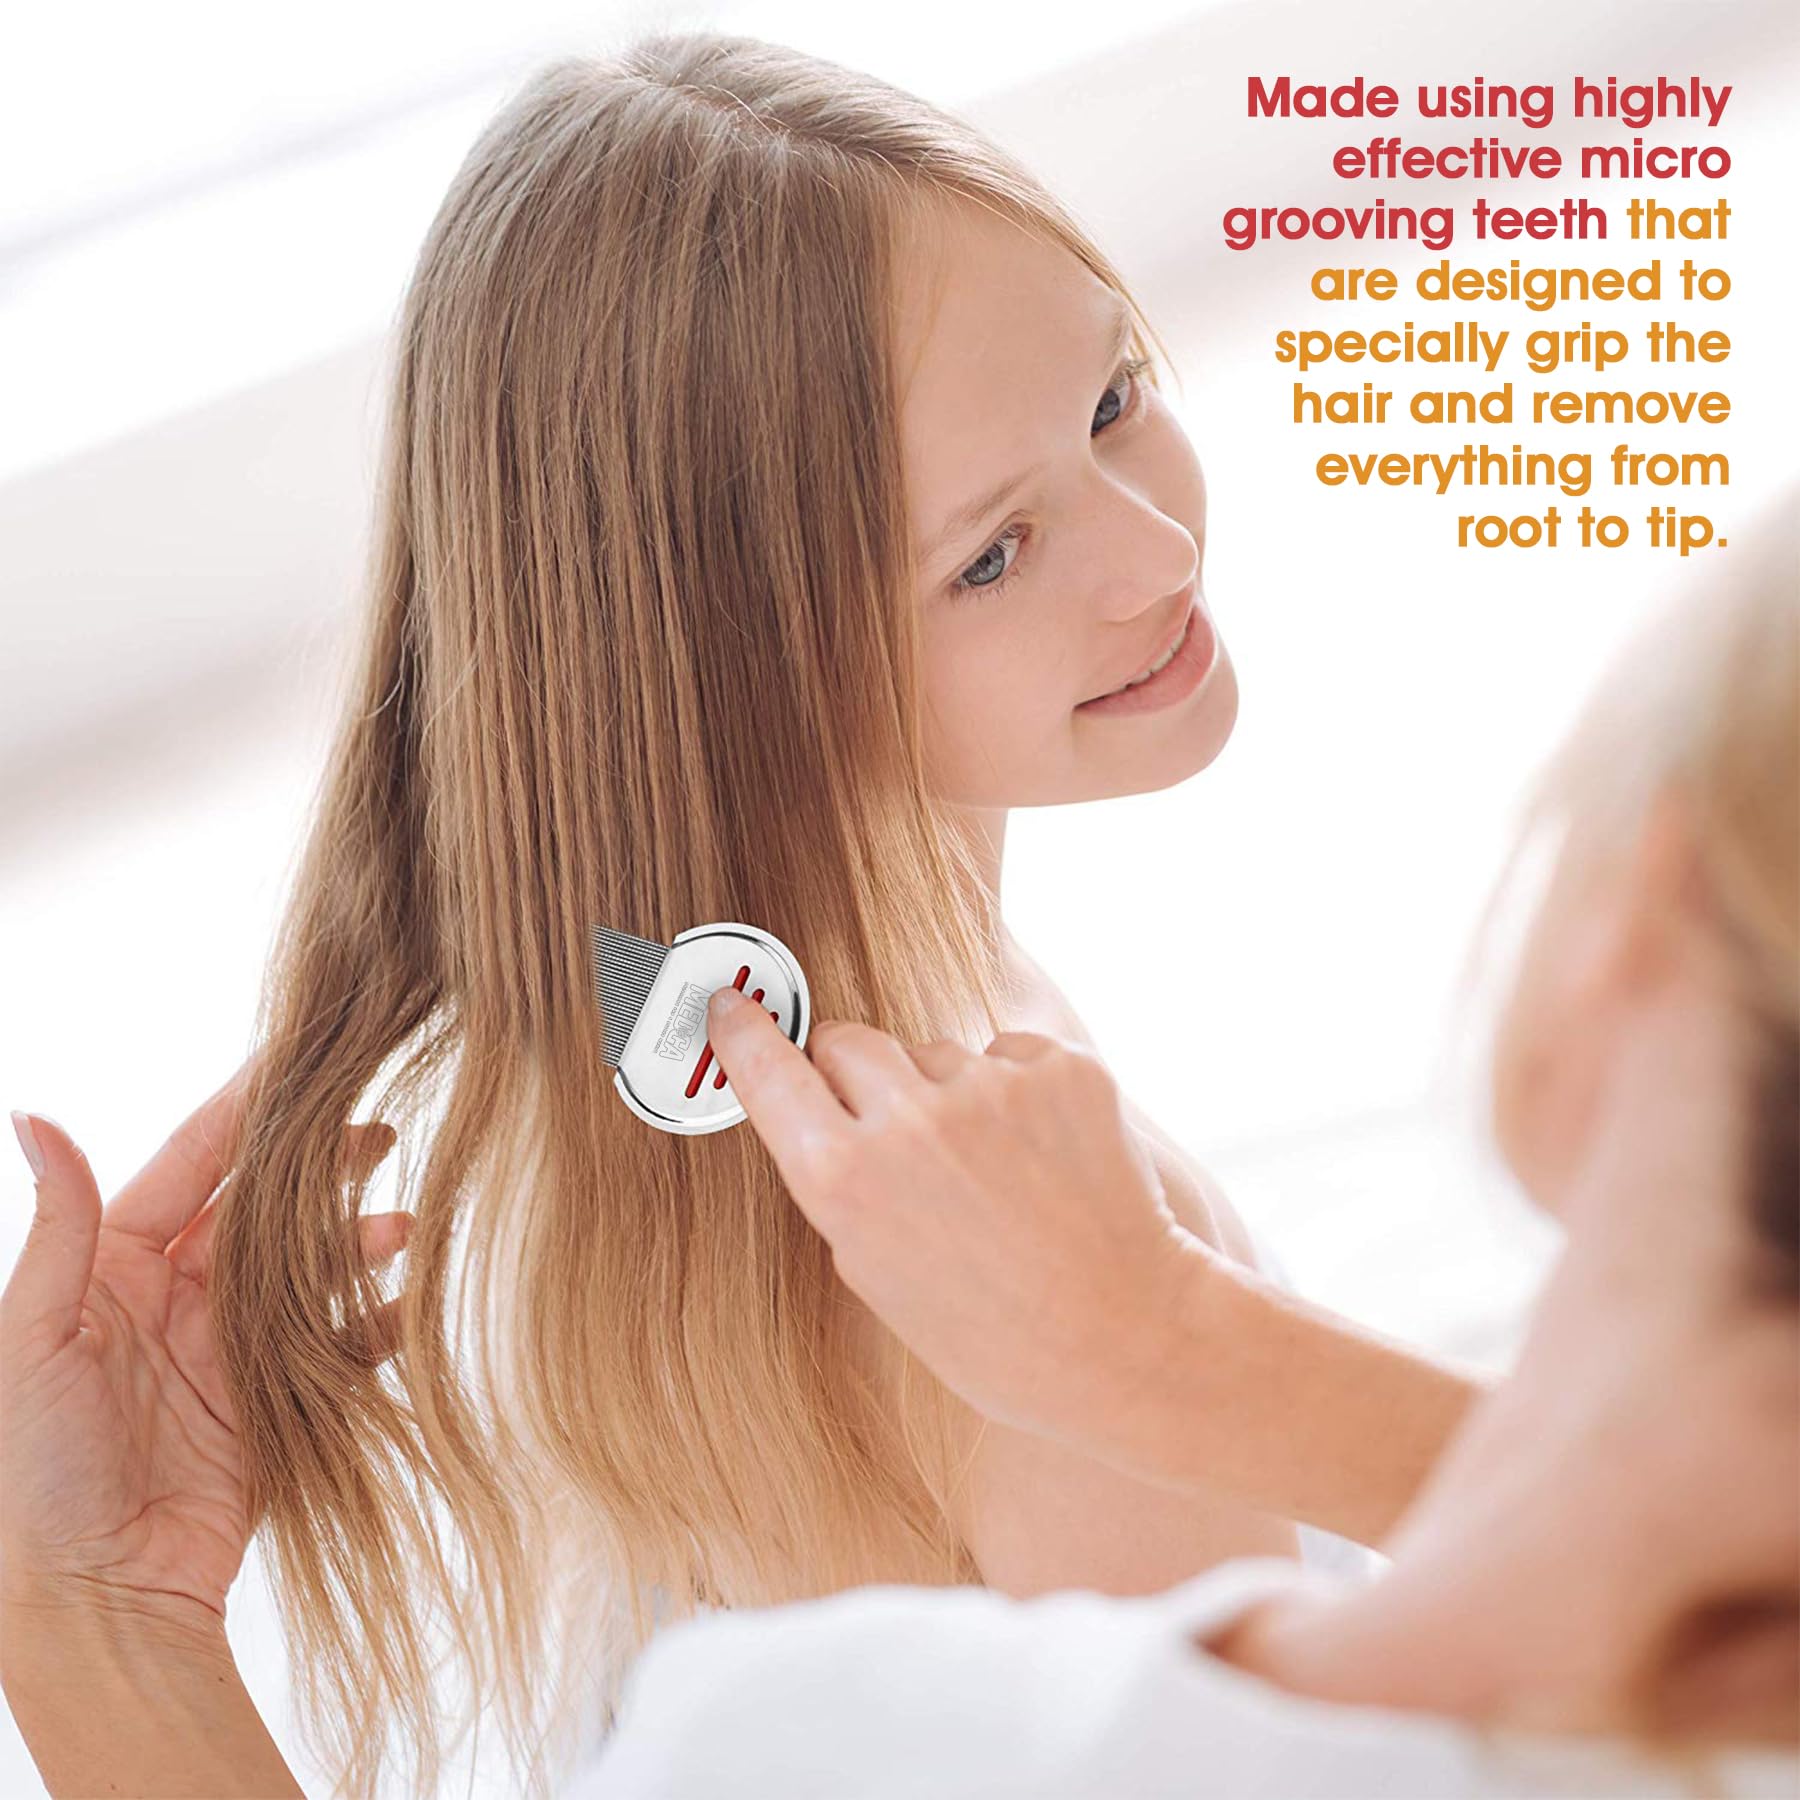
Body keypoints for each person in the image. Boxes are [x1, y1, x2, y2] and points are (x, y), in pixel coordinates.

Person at [0, 28, 1490, 1799]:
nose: (1157, 553)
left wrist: (88, 1621)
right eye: (989, 555)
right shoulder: (1010, 1294)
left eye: (1111, 401)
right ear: (726, 677)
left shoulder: (658, 1061)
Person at [562, 492, 1800, 1795]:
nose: (1168, 551)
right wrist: (1176, 1348)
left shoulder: (771, 1736)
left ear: (1649, 910)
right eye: (988, 555)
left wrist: (1167, 1348)